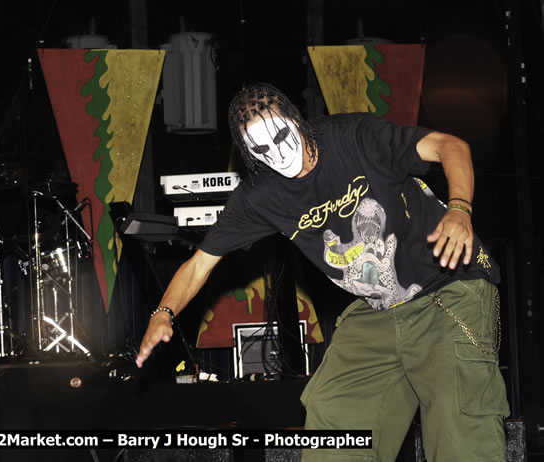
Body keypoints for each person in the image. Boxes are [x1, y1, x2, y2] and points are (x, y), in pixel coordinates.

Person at [135, 84, 509, 461]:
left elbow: (451, 145)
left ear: (297, 120)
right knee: (334, 414)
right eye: (261, 149)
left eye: (281, 135)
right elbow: (200, 263)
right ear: (249, 154)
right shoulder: (260, 195)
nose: (278, 153)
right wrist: (163, 313)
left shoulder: (354, 138)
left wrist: (459, 209)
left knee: (455, 414)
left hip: (446, 290)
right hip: (379, 310)